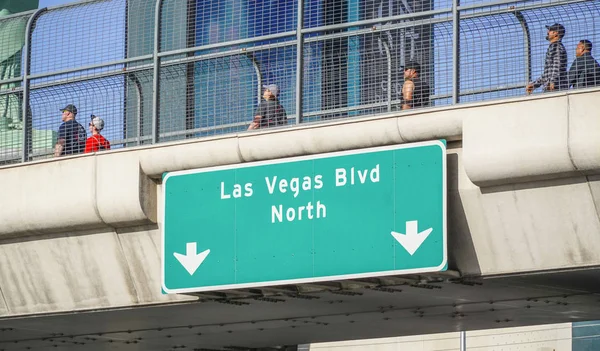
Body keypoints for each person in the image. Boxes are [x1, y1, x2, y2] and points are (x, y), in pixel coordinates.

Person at [526, 23, 568, 94]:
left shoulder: (557, 46)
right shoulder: (554, 46)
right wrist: (534, 84)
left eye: (550, 31)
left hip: (555, 88)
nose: (547, 32)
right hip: (552, 87)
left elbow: (557, 66)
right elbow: (547, 74)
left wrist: (553, 81)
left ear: (556, 33)